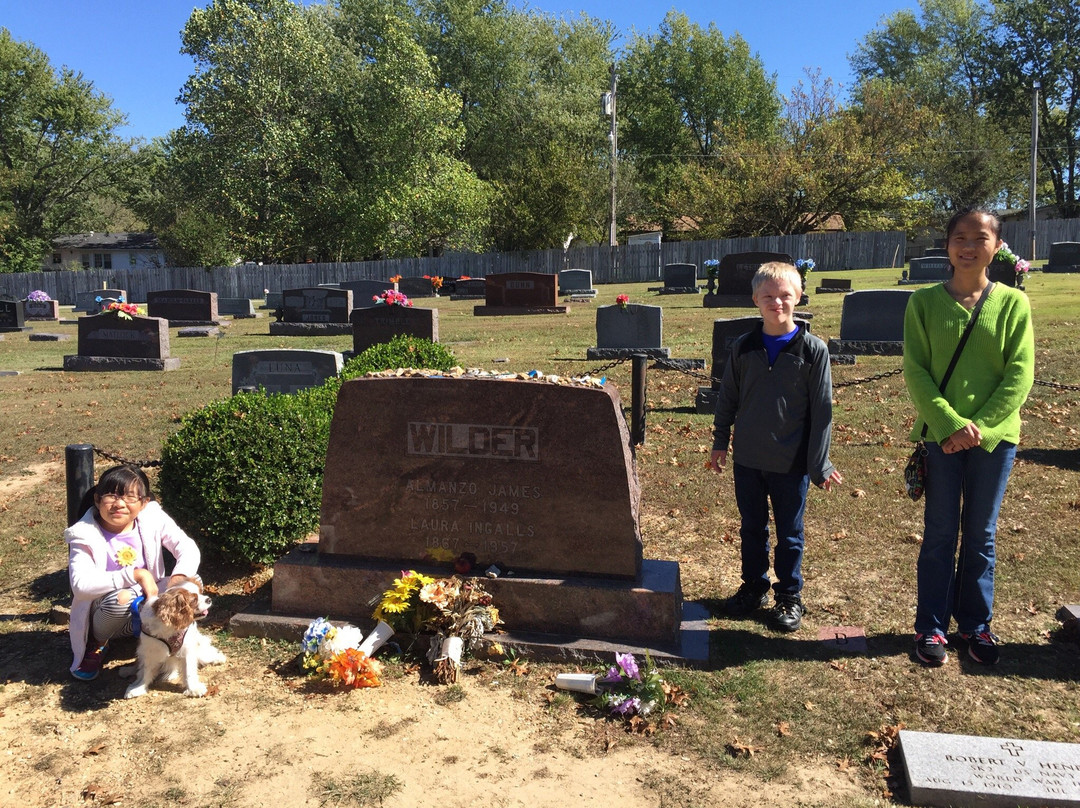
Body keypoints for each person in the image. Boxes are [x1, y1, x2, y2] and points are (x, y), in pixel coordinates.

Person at [903, 208, 1034, 666]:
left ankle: (977, 626)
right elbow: (916, 370)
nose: (968, 246)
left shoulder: (1013, 303)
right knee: (940, 532)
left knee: (981, 534)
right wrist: (949, 426)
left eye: (980, 238)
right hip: (942, 440)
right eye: (959, 237)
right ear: (947, 245)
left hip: (995, 443)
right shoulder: (923, 302)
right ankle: (931, 628)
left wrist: (982, 428)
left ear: (996, 247)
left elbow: (1020, 374)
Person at [710, 262, 842, 632]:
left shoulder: (814, 351)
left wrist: (821, 465)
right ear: (755, 299)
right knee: (752, 528)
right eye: (768, 296)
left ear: (799, 296)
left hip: (791, 463)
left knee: (790, 533)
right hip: (748, 460)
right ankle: (754, 586)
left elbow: (822, 412)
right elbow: (728, 400)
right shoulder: (743, 347)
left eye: (785, 295)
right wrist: (720, 442)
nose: (777, 302)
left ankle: (789, 595)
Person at [66, 464, 202, 681]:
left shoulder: (152, 518)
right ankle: (98, 643)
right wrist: (136, 574)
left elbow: (186, 547)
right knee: (123, 597)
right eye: (111, 496)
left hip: (149, 604)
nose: (119, 504)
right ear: (97, 499)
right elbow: (80, 585)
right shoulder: (83, 534)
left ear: (144, 503)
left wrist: (178, 578)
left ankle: (170, 635)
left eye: (130, 497)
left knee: (191, 583)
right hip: (107, 613)